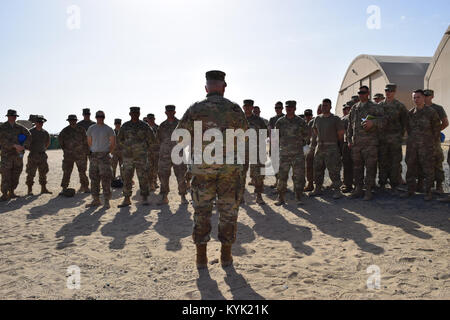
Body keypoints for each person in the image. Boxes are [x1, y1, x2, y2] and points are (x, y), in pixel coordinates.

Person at [177, 70, 248, 269]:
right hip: (229, 170)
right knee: (228, 211)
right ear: (224, 86)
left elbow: (180, 138)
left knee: (202, 211)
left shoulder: (195, 109)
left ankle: (201, 259)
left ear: (206, 87)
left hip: (202, 169)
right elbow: (245, 137)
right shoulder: (234, 110)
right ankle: (226, 256)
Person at [347, 86, 385, 201]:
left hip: (370, 144)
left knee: (370, 168)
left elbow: (384, 120)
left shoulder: (374, 106)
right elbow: (350, 125)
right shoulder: (354, 108)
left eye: (363, 92)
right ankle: (358, 189)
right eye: (359, 92)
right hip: (356, 144)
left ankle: (368, 190)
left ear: (368, 93)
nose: (361, 94)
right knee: (357, 168)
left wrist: (373, 122)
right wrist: (349, 139)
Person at [402, 90, 441, 201]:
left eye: (418, 97)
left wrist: (432, 144)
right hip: (412, 146)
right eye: (414, 98)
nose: (416, 100)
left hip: (427, 146)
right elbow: (408, 129)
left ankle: (428, 192)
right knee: (410, 168)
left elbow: (436, 130)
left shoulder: (431, 112)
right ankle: (410, 190)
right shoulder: (410, 113)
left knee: (428, 169)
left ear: (424, 98)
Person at [116, 107, 155, 207]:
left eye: (137, 113)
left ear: (139, 113)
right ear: (130, 114)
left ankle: (145, 197)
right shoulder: (125, 126)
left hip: (141, 157)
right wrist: (125, 149)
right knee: (127, 177)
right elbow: (119, 140)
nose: (135, 114)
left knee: (143, 177)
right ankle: (127, 198)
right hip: (128, 157)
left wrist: (145, 149)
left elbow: (152, 139)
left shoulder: (144, 126)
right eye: (133, 113)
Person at [309, 99, 345, 199]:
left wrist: (333, 143)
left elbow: (340, 134)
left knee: (334, 170)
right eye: (323, 105)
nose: (324, 107)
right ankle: (318, 189)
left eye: (326, 105)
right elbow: (315, 131)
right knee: (318, 169)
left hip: (332, 148)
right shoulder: (317, 119)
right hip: (320, 147)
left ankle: (337, 190)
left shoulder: (335, 119)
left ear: (330, 107)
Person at [274, 100, 308, 206]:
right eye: (287, 107)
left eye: (291, 107)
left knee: (298, 176)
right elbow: (275, 136)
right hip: (284, 154)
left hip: (297, 154)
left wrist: (302, 143)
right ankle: (281, 198)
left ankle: (298, 197)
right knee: (282, 176)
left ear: (295, 108)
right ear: (285, 108)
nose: (289, 109)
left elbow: (307, 134)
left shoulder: (300, 121)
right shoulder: (280, 122)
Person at [377, 84, 408, 195]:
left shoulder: (400, 106)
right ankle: (382, 184)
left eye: (390, 91)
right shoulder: (379, 105)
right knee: (382, 162)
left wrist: (401, 136)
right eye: (386, 91)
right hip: (382, 140)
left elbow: (405, 122)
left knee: (395, 162)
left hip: (395, 140)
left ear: (395, 92)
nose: (388, 93)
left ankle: (395, 185)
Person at [156, 105, 188, 205]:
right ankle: (164, 196)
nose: (170, 113)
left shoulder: (181, 124)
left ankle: (183, 196)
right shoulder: (162, 125)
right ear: (165, 113)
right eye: (168, 111)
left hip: (178, 154)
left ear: (174, 112)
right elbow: (158, 139)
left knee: (181, 175)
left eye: (171, 111)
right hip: (165, 155)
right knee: (163, 176)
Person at [239, 100, 268, 205]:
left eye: (249, 106)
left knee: (258, 174)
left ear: (252, 107)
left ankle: (259, 196)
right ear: (243, 107)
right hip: (241, 152)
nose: (247, 108)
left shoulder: (258, 120)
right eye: (245, 106)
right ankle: (240, 196)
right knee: (241, 174)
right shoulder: (238, 119)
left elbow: (265, 133)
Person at [86, 111, 115, 208]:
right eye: (98, 116)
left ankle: (106, 201)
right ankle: (96, 200)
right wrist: (94, 151)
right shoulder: (91, 128)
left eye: (101, 116)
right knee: (94, 179)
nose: (100, 118)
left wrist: (106, 152)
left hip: (104, 156)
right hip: (94, 156)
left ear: (104, 117)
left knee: (106, 179)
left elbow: (113, 143)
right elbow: (89, 142)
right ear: (95, 117)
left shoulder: (109, 129)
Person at [0, 109, 31, 201]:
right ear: (8, 116)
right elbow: (1, 140)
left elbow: (29, 136)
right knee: (6, 174)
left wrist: (23, 146)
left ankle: (12, 192)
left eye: (14, 116)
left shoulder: (20, 128)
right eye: (11, 116)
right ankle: (4, 194)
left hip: (18, 155)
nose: (13, 117)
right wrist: (14, 145)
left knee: (16, 173)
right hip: (6, 155)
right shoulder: (2, 127)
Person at [58, 114, 90, 195]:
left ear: (76, 121)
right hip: (68, 156)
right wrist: (67, 150)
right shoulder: (64, 131)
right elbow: (61, 142)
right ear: (68, 121)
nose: (72, 122)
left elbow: (86, 141)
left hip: (80, 155)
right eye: (71, 120)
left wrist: (86, 151)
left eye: (74, 120)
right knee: (67, 172)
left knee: (82, 171)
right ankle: (64, 188)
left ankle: (85, 187)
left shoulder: (81, 130)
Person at [424, 89, 448, 194]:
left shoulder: (438, 108)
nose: (426, 97)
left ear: (432, 96)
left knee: (437, 161)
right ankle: (428, 185)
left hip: (434, 140)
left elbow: (446, 122)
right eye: (424, 95)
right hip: (422, 140)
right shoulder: (419, 108)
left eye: (428, 95)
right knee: (424, 162)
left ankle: (439, 185)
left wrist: (436, 132)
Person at [26, 115, 52, 195]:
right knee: (31, 173)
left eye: (42, 122)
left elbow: (47, 143)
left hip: (42, 155)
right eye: (39, 122)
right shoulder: (30, 132)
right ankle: (29, 189)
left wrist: (42, 149)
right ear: (35, 123)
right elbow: (26, 144)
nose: (40, 123)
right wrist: (32, 150)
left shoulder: (45, 133)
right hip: (33, 155)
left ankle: (43, 189)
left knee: (43, 172)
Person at [268, 102, 285, 189]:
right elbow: (270, 132)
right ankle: (277, 181)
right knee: (275, 164)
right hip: (274, 145)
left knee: (282, 165)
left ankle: (281, 184)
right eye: (276, 107)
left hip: (283, 146)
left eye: (279, 107)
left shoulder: (285, 118)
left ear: (282, 108)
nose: (277, 109)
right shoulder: (272, 119)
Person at [341, 102, 354, 193]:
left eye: (348, 108)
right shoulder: (344, 119)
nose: (347, 110)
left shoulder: (360, 117)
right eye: (345, 109)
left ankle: (357, 185)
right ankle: (348, 184)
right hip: (347, 144)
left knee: (358, 166)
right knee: (347, 165)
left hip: (359, 144)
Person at [145, 113, 160, 191]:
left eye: (152, 119)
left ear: (154, 119)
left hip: (157, 151)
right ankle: (150, 183)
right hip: (148, 152)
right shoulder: (145, 129)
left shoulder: (158, 128)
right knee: (149, 168)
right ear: (147, 119)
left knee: (156, 168)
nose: (150, 120)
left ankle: (154, 182)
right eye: (149, 119)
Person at [304, 108, 315, 192]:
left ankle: (316, 184)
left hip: (316, 146)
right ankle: (310, 183)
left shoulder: (315, 122)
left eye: (309, 115)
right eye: (306, 115)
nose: (308, 117)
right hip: (307, 147)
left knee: (317, 167)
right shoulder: (303, 124)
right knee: (308, 166)